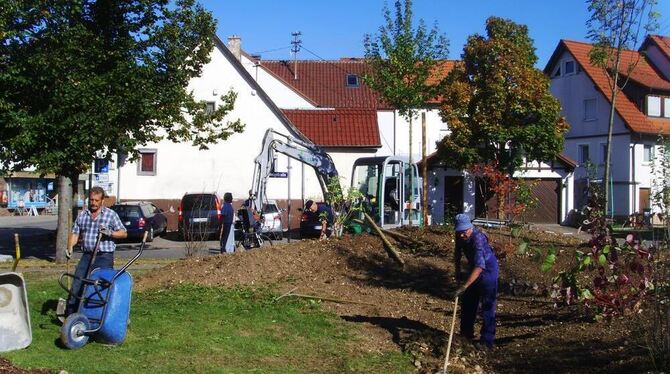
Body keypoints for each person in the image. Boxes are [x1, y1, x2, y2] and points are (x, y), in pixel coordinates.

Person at [65, 186, 127, 315]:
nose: (93, 203)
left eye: (96, 200)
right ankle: (71, 314)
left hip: (104, 256)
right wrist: (70, 247)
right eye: (91, 200)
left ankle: (98, 314)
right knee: (78, 283)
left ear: (102, 200)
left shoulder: (110, 215)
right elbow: (75, 233)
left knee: (99, 286)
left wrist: (109, 233)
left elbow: (123, 233)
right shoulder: (83, 215)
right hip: (87, 255)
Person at [453, 213, 499, 349]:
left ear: (470, 228)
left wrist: (465, 286)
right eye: (459, 232)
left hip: (488, 271)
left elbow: (480, 267)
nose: (461, 235)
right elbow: (457, 254)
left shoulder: (478, 238)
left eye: (464, 232)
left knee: (487, 306)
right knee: (468, 301)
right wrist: (458, 274)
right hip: (474, 268)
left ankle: (487, 341)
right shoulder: (459, 235)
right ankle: (466, 334)